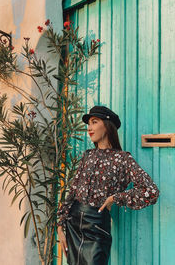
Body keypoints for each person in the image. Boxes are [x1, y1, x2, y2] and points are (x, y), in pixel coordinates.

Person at [57, 105, 159, 265]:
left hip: (97, 226)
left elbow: (151, 191)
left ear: (107, 125)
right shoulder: (87, 156)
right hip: (73, 224)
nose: (89, 128)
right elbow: (73, 191)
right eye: (88, 124)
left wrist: (115, 198)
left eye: (94, 122)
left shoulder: (122, 158)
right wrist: (60, 226)